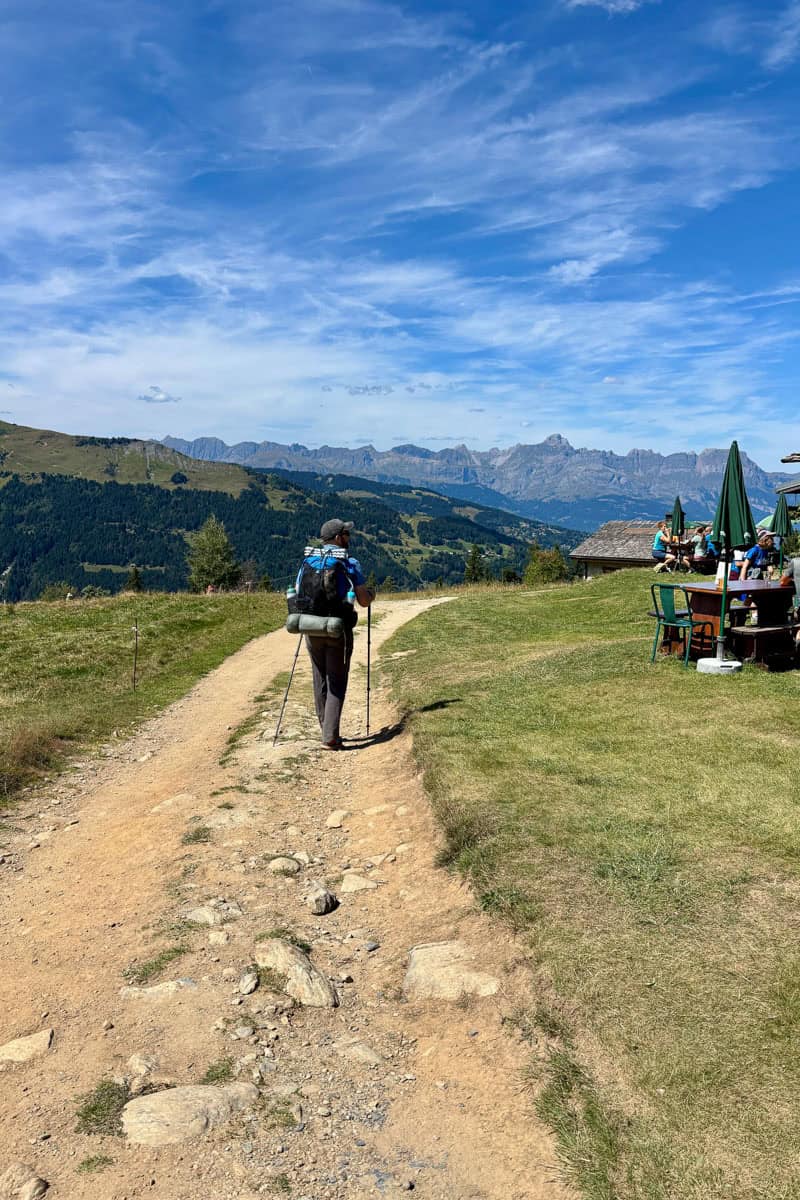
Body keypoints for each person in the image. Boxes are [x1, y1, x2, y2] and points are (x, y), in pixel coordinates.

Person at [296, 519, 374, 750]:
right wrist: (371, 594)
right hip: (337, 629)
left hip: (311, 627)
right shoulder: (349, 563)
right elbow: (363, 600)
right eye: (346, 533)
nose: (349, 537)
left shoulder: (308, 561)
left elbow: (299, 591)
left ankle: (326, 729)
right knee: (337, 681)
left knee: (319, 677)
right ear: (338, 538)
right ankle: (330, 737)